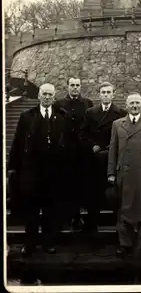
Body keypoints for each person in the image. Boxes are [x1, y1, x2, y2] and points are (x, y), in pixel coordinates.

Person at [7, 83, 68, 256]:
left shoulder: (62, 116)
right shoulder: (27, 116)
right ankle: (30, 243)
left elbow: (68, 146)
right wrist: (12, 168)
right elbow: (18, 143)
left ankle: (48, 243)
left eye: (50, 94)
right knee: (31, 209)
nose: (47, 97)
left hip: (53, 172)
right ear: (39, 96)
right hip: (32, 171)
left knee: (51, 209)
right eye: (44, 94)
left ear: (54, 97)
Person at [107, 93, 141, 259]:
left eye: (137, 103)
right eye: (131, 103)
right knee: (124, 210)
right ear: (126, 104)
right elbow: (113, 149)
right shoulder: (117, 124)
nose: (135, 106)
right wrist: (111, 172)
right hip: (124, 173)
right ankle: (125, 244)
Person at [79, 82, 127, 233]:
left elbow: (123, 136)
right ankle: (92, 225)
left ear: (113, 94)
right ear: (99, 95)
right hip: (94, 159)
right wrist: (92, 145)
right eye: (103, 92)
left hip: (112, 158)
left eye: (108, 92)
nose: (106, 95)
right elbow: (82, 134)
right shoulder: (90, 112)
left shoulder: (121, 113)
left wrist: (109, 148)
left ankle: (117, 223)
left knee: (114, 191)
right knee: (93, 191)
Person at [55, 77, 93, 230]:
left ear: (81, 86)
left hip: (82, 151)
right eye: (72, 85)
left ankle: (79, 217)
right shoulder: (59, 104)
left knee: (81, 184)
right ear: (67, 87)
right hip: (65, 151)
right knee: (66, 184)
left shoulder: (87, 103)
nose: (75, 88)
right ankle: (69, 216)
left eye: (77, 85)